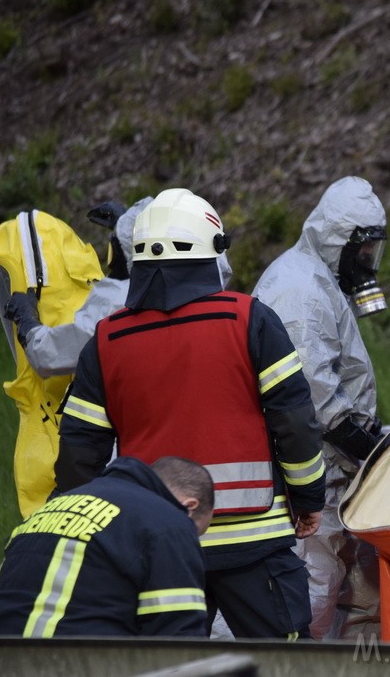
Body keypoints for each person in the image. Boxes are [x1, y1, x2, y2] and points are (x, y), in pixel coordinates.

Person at [54, 187, 327, 640]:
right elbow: (295, 422)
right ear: (212, 250)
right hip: (254, 543)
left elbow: (81, 451)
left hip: (155, 546)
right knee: (285, 664)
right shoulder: (250, 319)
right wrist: (308, 498)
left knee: (164, 669)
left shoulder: (106, 340)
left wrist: (87, 533)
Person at [252, 176, 386, 640]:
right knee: (308, 602)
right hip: (307, 484)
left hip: (332, 477)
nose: (369, 264)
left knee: (347, 600)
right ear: (339, 241)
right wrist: (374, 451)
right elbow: (314, 395)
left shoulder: (319, 281)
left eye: (374, 253)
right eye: (364, 253)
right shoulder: (299, 291)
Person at [0, 455, 213, 637]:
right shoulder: (168, 523)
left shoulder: (51, 508)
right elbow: (178, 637)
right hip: (79, 663)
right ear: (189, 506)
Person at [2, 199, 149, 378]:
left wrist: (25, 318)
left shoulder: (119, 308)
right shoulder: (188, 291)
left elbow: (49, 354)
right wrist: (131, 224)